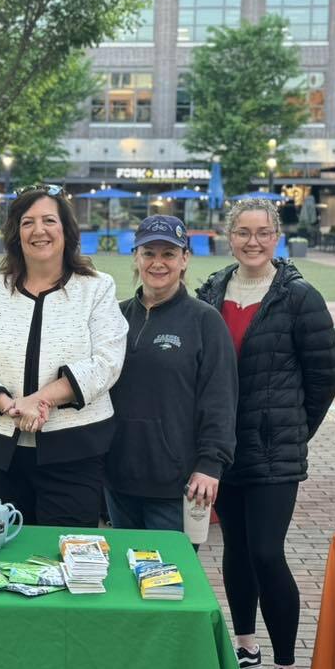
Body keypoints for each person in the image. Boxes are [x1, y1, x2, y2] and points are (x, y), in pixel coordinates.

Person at [197, 198, 335, 669]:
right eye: (242, 232)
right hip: (223, 450)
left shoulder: (300, 297)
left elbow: (325, 376)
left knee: (266, 552)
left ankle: (285, 665)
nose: (252, 241)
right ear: (228, 236)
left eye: (262, 232)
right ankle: (246, 646)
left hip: (274, 453)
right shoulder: (212, 290)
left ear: (276, 238)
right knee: (235, 550)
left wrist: (293, 431)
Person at [0, 184, 128, 527]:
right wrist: (9, 406)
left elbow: (107, 361)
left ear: (66, 230)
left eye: (49, 220)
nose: (39, 231)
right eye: (28, 222)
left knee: (66, 554)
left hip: (74, 452)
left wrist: (42, 399)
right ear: (16, 232)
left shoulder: (96, 288)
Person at [104, 214, 237, 536]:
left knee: (170, 582)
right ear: (136, 257)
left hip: (176, 484)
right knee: (124, 576)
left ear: (185, 259)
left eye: (168, 254)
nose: (158, 263)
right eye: (149, 253)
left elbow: (220, 399)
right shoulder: (114, 317)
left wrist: (210, 465)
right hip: (118, 480)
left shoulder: (204, 320)